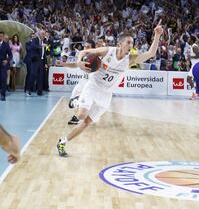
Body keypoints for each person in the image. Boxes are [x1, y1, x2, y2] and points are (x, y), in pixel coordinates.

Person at [56, 20, 164, 157]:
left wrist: (157, 36)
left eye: (132, 42)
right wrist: (79, 62)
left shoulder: (130, 59)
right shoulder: (107, 51)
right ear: (120, 43)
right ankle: (76, 101)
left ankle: (63, 142)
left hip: (106, 95)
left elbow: (150, 54)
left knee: (86, 123)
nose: (131, 45)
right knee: (81, 114)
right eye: (128, 42)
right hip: (93, 87)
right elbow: (84, 51)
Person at [0, 31, 13, 101]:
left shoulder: (6, 45)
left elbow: (10, 55)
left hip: (3, 64)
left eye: (1, 36)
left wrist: (7, 60)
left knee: (3, 79)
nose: (0, 37)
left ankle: (3, 95)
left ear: (3, 37)